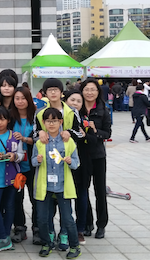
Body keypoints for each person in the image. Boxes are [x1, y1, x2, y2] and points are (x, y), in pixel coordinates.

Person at [32, 108, 81, 259]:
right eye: (48, 121)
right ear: (43, 123)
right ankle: (47, 243)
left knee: (67, 218)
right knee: (42, 217)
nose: (51, 124)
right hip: (44, 185)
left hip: (62, 184)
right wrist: (37, 160)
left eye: (54, 121)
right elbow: (33, 161)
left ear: (60, 122)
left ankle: (74, 246)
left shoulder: (68, 141)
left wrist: (70, 161)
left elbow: (77, 163)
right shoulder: (39, 143)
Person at [0, 107, 24, 253]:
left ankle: (5, 238)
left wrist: (15, 156)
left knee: (9, 207)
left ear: (8, 120)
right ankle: (3, 237)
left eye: (2, 119)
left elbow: (21, 154)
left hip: (12, 178)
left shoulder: (15, 136)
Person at [79, 78, 111, 239]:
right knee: (83, 190)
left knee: (100, 191)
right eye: (87, 89)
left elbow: (108, 133)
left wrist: (95, 130)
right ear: (82, 91)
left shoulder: (104, 110)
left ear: (98, 92)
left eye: (93, 89)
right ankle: (87, 223)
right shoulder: (77, 109)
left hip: (98, 155)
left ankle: (101, 225)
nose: (89, 92)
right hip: (81, 156)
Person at [9, 87, 37, 244]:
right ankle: (19, 228)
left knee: (35, 198)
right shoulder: (10, 118)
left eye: (23, 98)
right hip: (15, 166)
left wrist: (25, 139)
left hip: (33, 165)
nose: (20, 101)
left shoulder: (36, 118)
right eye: (17, 98)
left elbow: (40, 139)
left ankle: (37, 229)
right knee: (16, 199)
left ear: (29, 99)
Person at [63, 90, 91, 246]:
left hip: (82, 162)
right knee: (65, 196)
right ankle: (67, 229)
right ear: (66, 101)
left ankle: (80, 228)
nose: (75, 103)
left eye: (78, 101)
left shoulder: (84, 119)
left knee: (81, 195)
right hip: (65, 161)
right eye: (72, 100)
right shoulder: (62, 118)